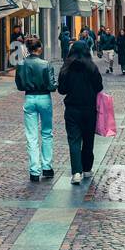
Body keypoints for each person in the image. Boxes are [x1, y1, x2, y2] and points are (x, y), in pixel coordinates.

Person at [59, 41, 104, 185]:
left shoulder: (66, 67)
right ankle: (87, 169)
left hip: (72, 108)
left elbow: (62, 90)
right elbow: (99, 86)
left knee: (74, 140)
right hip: (89, 109)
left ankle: (76, 172)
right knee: (88, 139)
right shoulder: (92, 67)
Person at [14, 35, 58, 182]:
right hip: (44, 98)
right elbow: (52, 86)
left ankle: (34, 171)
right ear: (39, 48)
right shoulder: (46, 64)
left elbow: (19, 85)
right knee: (46, 133)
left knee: (31, 136)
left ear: (28, 49)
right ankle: (47, 167)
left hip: (29, 98)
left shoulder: (21, 64)